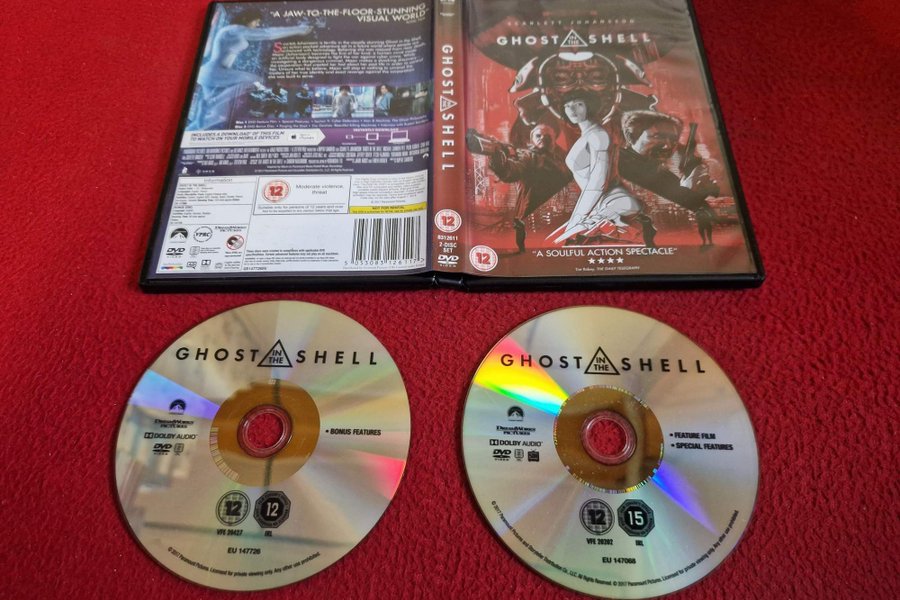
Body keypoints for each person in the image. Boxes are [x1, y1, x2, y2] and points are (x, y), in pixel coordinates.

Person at [189, 9, 323, 130]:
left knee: (218, 116)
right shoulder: (235, 29)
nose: (257, 25)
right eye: (256, 21)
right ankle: (210, 103)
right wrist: (298, 29)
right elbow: (267, 33)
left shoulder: (232, 31)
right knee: (255, 81)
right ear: (247, 18)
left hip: (212, 74)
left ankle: (192, 130)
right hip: (215, 72)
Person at [548, 93, 647, 245]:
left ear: (589, 106)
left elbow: (598, 184)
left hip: (615, 201)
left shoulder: (598, 136)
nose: (572, 110)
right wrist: (578, 217)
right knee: (552, 243)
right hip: (595, 206)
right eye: (567, 106)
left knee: (561, 242)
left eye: (578, 104)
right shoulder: (587, 136)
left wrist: (577, 218)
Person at [617, 110, 720, 247]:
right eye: (657, 136)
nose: (668, 146)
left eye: (672, 139)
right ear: (631, 136)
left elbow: (694, 202)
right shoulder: (620, 162)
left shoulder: (653, 168)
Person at [466, 124, 572, 253]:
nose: (543, 138)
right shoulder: (528, 156)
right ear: (532, 139)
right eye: (538, 135)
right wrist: (497, 156)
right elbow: (510, 171)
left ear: (554, 139)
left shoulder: (562, 159)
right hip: (530, 215)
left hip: (558, 215)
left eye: (547, 136)